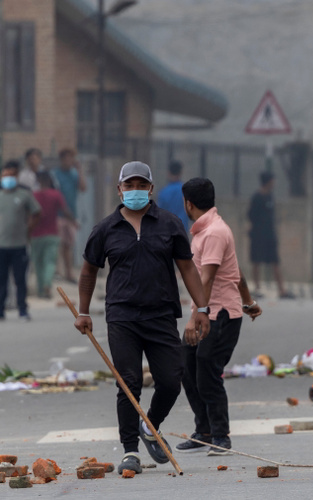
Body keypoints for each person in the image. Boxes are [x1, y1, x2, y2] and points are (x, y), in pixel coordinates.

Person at [74, 161, 211, 475]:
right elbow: (88, 272)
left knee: (171, 380)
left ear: (151, 188)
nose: (135, 191)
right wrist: (83, 313)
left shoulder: (169, 223)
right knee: (128, 383)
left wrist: (201, 309)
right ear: (119, 189)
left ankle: (150, 427)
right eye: (129, 185)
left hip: (161, 314)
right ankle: (130, 450)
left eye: (141, 185)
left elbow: (188, 268)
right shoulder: (105, 229)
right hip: (122, 317)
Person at [175, 177, 262, 456]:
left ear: (188, 203)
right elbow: (236, 273)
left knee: (207, 370)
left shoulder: (213, 232)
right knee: (186, 366)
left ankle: (221, 435)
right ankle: (204, 430)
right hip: (209, 312)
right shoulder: (205, 230)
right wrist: (249, 302)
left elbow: (208, 278)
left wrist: (196, 315)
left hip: (219, 315)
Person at [0, 161, 41, 320]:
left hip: (19, 245)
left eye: (11, 176)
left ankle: (22, 309)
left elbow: (36, 212)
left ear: (16, 177)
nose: (8, 178)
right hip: (1, 246)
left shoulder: (24, 195)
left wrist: (29, 229)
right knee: (1, 280)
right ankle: (1, 309)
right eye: (5, 176)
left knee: (19, 279)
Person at [31, 172, 76, 298]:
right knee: (50, 262)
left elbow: (29, 214)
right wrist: (73, 220)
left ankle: (41, 290)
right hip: (52, 233)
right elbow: (65, 211)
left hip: (36, 234)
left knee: (38, 263)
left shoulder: (33, 195)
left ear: (38, 182)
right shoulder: (56, 195)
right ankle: (47, 285)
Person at [247, 171, 291, 299]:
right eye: (273, 180)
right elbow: (250, 215)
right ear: (268, 181)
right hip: (258, 235)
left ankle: (282, 290)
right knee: (256, 261)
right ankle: (257, 288)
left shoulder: (271, 196)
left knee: (275, 261)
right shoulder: (257, 197)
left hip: (270, 235)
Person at [53, 148, 87, 283]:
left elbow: (83, 188)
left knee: (68, 244)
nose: (69, 161)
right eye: (66, 158)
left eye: (71, 158)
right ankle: (56, 271)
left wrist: (80, 171)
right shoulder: (55, 174)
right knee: (57, 244)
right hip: (58, 214)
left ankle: (69, 273)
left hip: (71, 214)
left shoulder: (74, 174)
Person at [157, 160, 190, 234]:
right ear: (180, 173)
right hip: (182, 229)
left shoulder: (163, 192)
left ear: (168, 173)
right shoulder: (186, 191)